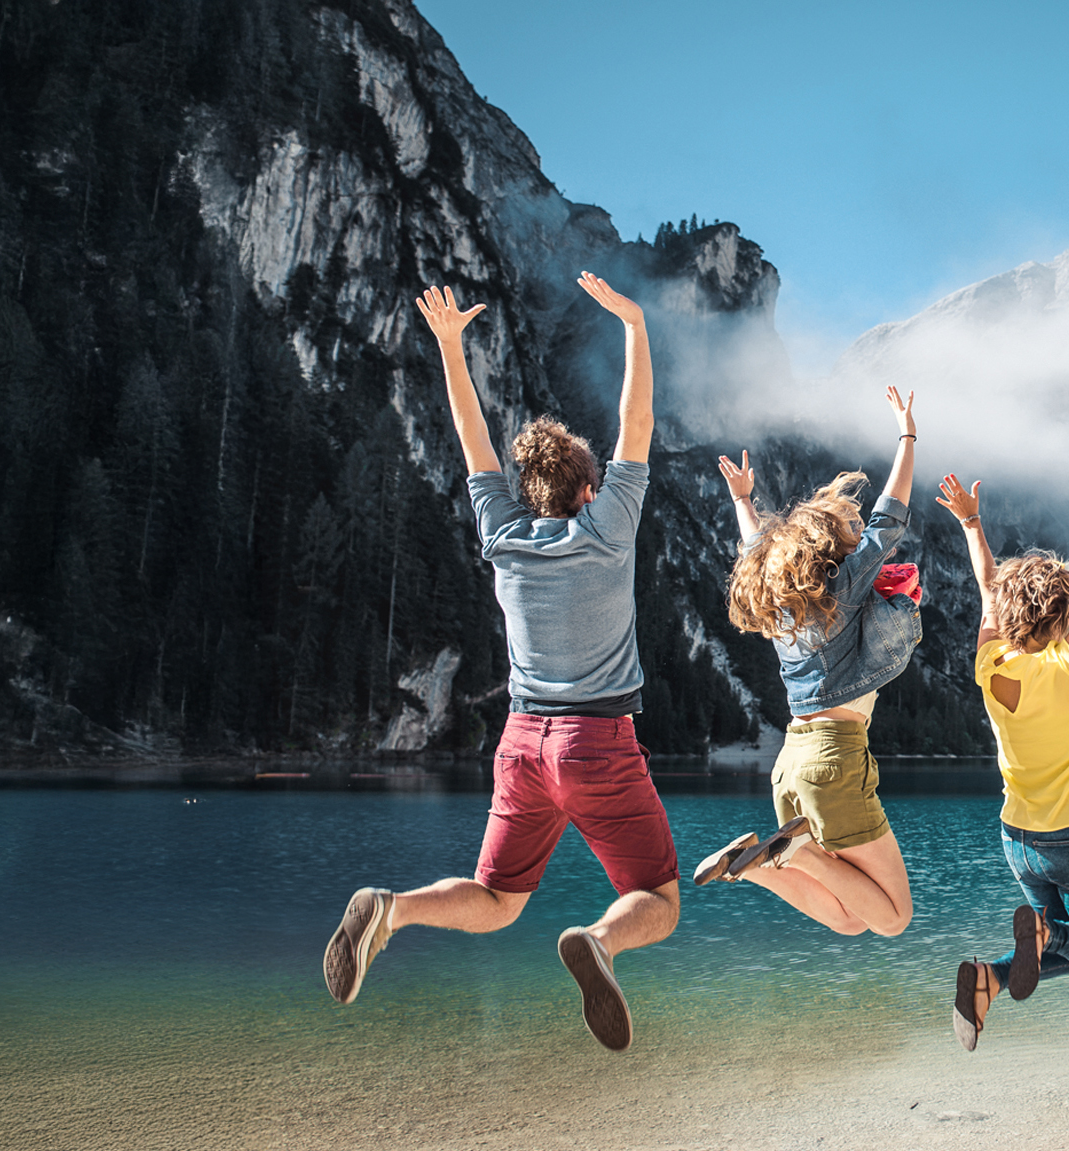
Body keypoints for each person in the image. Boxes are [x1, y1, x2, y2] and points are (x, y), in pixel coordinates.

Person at [322, 274, 679, 1053]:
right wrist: (635, 326)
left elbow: (471, 437)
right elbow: (637, 418)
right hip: (598, 745)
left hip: (521, 745)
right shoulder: (609, 526)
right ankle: (602, 942)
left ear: (528, 491)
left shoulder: (502, 535)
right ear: (589, 488)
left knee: (497, 897)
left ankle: (394, 908)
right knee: (656, 896)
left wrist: (450, 346)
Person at [935, 441, 1069, 1051]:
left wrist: (972, 522)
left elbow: (985, 584)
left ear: (1005, 614)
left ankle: (992, 978)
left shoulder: (990, 661)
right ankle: (1041, 940)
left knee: (1067, 942)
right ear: (1063, 617)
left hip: (1018, 838)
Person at [689, 387, 922, 941]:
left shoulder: (777, 607)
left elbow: (754, 555)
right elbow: (889, 518)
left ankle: (755, 864)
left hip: (790, 765)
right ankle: (796, 854)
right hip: (833, 763)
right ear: (827, 549)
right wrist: (907, 436)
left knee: (848, 918)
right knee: (893, 919)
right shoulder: (839, 588)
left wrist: (744, 501)